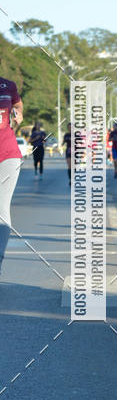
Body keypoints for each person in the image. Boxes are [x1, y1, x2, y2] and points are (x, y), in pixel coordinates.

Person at [0, 77, 23, 275]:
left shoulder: (8, 85)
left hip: (7, 155)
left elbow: (17, 103)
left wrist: (18, 113)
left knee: (1, 208)